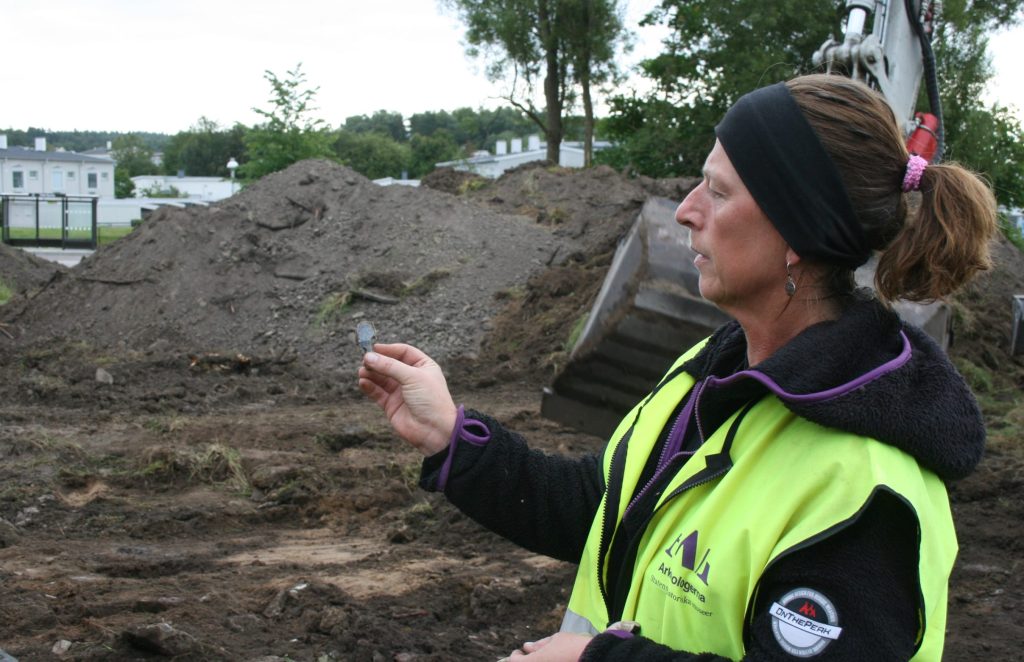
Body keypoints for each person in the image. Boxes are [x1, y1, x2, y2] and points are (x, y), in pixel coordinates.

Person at [358, 73, 997, 661]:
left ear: (797, 233)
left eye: (718, 192)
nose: (687, 209)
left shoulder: (865, 488)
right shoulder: (713, 366)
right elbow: (608, 512)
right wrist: (451, 434)